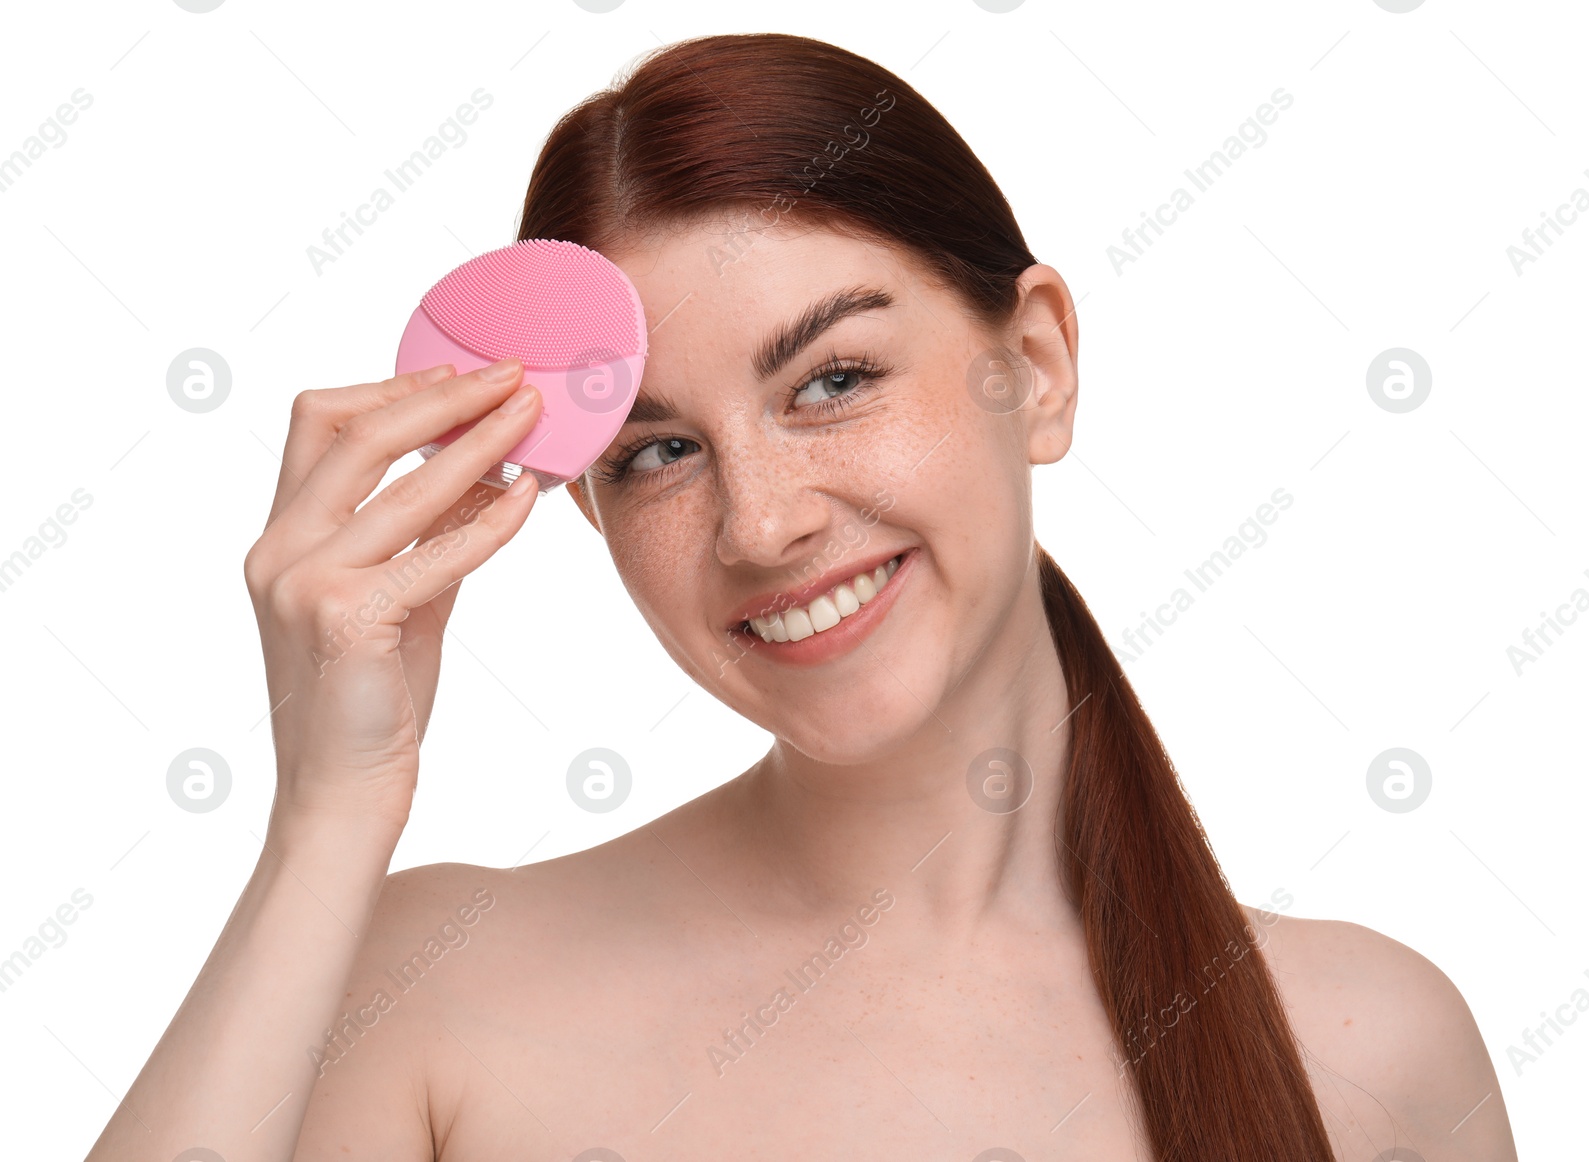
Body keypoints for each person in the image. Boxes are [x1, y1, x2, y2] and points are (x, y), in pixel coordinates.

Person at [87, 32, 1515, 1162]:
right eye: (659, 450)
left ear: (1039, 363)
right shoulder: (431, 995)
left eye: (832, 380)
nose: (763, 524)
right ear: (584, 502)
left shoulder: (1368, 1048)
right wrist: (325, 825)